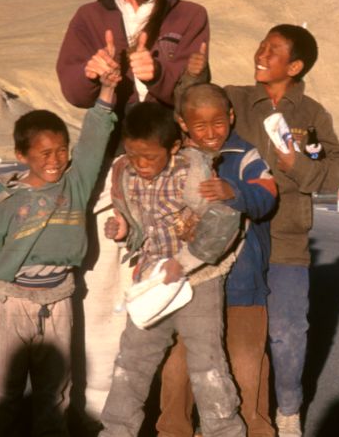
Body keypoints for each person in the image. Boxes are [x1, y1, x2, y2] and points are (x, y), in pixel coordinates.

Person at [54, 0, 211, 423]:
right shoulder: (88, 16)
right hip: (106, 171)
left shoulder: (190, 16)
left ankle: (164, 420)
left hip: (167, 174)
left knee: (163, 288)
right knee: (100, 289)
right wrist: (94, 73)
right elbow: (72, 90)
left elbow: (195, 92)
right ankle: (98, 414)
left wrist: (159, 75)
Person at [182, 24, 339, 437]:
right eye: (262, 44)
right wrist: (193, 76)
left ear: (294, 66)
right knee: (229, 331)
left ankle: (288, 412)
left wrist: (300, 168)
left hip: (286, 239)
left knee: (287, 331)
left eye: (273, 49)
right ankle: (223, 416)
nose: (261, 52)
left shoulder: (312, 113)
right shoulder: (237, 98)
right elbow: (192, 109)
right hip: (231, 238)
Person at [0, 58, 121, 436]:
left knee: (55, 390)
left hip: (60, 301)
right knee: (3, 390)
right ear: (22, 155)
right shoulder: (7, 202)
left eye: (61, 151)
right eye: (44, 153)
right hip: (12, 302)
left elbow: (94, 140)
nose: (56, 160)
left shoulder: (76, 186)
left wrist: (107, 92)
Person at [99, 102, 245, 437]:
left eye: (150, 157)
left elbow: (224, 222)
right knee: (131, 363)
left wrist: (185, 262)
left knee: (207, 364)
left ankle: (225, 432)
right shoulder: (124, 172)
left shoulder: (193, 173)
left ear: (174, 146)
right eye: (133, 154)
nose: (141, 164)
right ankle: (115, 431)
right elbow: (138, 225)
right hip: (154, 281)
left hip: (198, 281)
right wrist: (123, 231)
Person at [157, 84, 278, 437]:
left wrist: (235, 191)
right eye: (200, 126)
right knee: (180, 364)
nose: (211, 133)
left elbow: (267, 195)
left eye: (218, 123)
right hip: (190, 285)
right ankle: (173, 430)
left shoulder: (246, 155)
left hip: (243, 282)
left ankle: (255, 429)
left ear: (231, 117)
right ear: (182, 123)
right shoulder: (175, 159)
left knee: (247, 364)